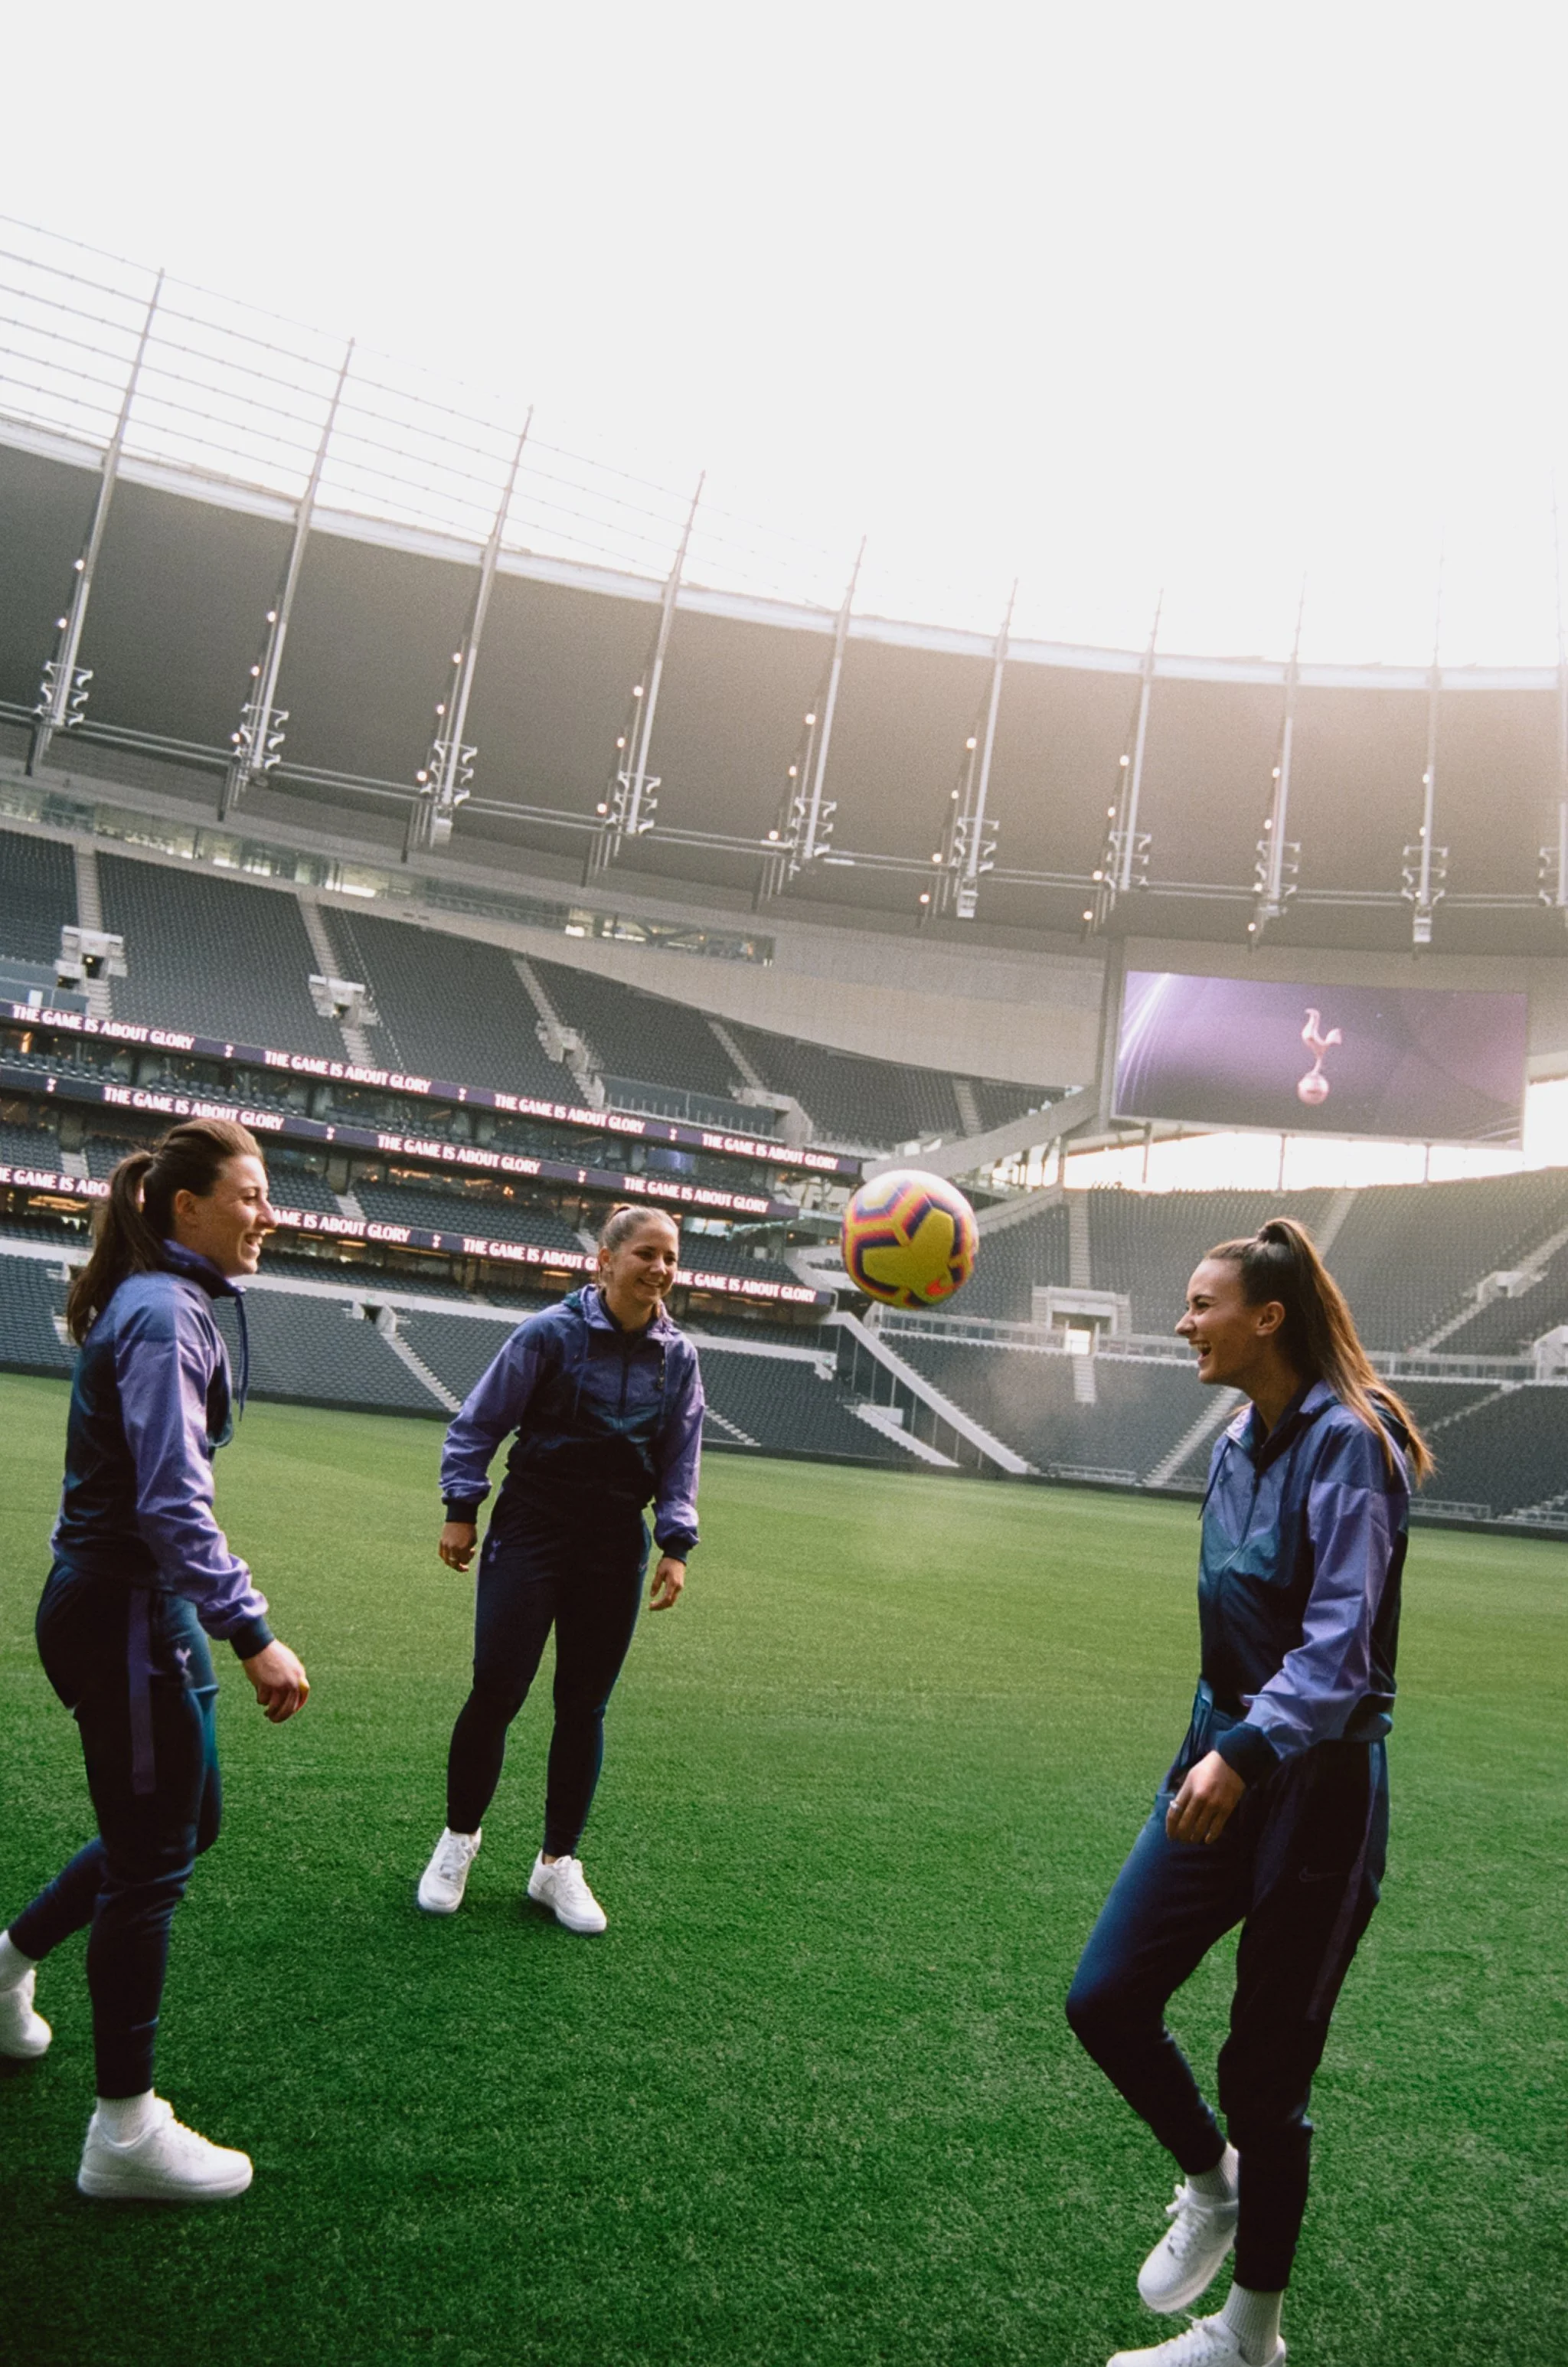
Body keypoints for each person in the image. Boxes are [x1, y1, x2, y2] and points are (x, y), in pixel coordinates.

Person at [1065, 1217, 1431, 2367]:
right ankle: (1211, 2180)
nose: (1185, 1321)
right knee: (1106, 1995)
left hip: (1313, 1787)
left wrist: (1248, 1750)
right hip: (1221, 1754)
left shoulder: (1350, 1442)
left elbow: (1341, 1647)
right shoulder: (1235, 1437)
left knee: (1265, 2075)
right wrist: (1209, 1749)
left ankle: (1249, 2338)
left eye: (1199, 1302)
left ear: (1267, 1316)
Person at [0, 1118, 309, 2202]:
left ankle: (4, 1965)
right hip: (128, 1613)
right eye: (253, 1192)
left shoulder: (168, 1300)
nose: (270, 1213)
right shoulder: (165, 1313)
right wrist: (253, 1628)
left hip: (131, 1606)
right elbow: (168, 1500)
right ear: (187, 1206)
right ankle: (122, 2131)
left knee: (185, 1822)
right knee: (151, 1866)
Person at [416, 1203, 702, 1934]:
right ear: (604, 1261)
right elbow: (478, 1424)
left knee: (584, 1705)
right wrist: (461, 1507)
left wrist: (674, 1544)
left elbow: (680, 1457)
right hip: (534, 1526)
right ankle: (458, 1839)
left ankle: (557, 1864)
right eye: (646, 1253)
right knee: (498, 1687)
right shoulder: (548, 1335)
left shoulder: (680, 1357)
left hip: (614, 1542)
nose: (661, 1268)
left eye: (671, 1256)